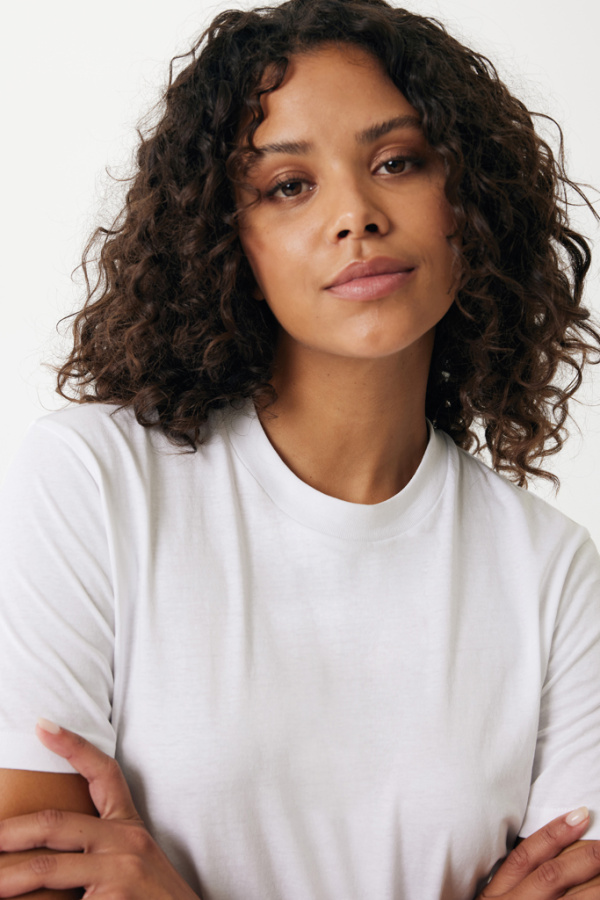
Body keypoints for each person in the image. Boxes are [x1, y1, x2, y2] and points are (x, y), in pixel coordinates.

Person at [0, 0, 599, 897]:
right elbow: (30, 874)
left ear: (469, 203)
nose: (356, 214)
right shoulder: (93, 482)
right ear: (229, 242)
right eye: (287, 185)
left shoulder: (551, 573)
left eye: (397, 162)